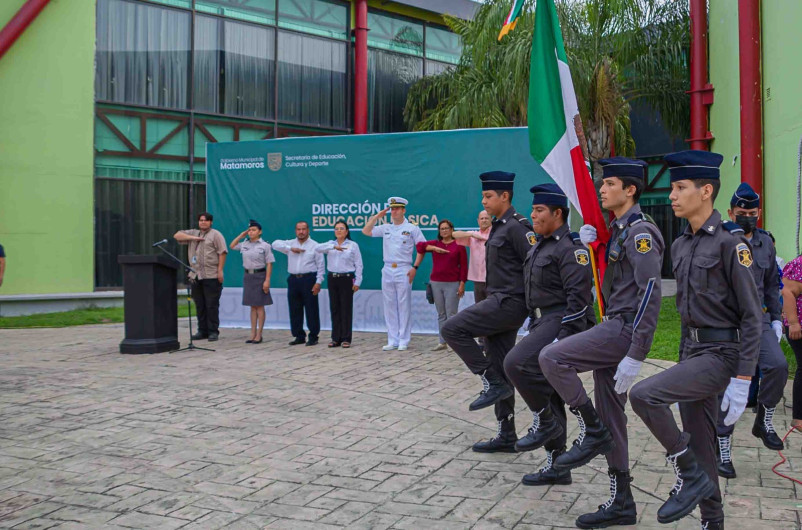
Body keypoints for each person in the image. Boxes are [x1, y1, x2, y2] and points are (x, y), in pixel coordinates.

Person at [629, 150, 761, 529]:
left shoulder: (730, 244)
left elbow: (753, 315)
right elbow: (686, 313)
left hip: (722, 354)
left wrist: (743, 378)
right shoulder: (682, 244)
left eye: (680, 187)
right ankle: (711, 520)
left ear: (706, 191)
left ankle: (686, 473)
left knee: (644, 395)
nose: (672, 195)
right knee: (702, 445)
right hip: (693, 352)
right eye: (672, 187)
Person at [539, 157, 663, 529]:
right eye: (602, 183)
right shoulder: (622, 229)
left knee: (552, 358)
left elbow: (650, 294)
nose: (602, 189)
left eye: (610, 184)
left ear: (630, 190)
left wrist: (637, 353)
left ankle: (590, 428)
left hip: (622, 329)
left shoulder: (641, 233)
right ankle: (622, 502)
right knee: (613, 416)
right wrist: (595, 246)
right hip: (616, 325)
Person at [503, 183, 595, 488]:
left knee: (516, 362)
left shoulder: (571, 247)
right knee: (550, 389)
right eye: (532, 209)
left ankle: (543, 419)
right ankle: (558, 464)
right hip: (542, 321)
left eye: (539, 210)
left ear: (558, 213)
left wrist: (563, 337)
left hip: (560, 320)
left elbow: (579, 297)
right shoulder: (540, 245)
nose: (533, 215)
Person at [441, 171, 534, 453]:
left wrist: (535, 308)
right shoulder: (498, 226)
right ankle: (506, 434)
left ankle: (490, 381)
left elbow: (533, 266)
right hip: (500, 300)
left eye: (488, 196)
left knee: (451, 329)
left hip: (508, 302)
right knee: (501, 366)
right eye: (483, 195)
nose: (484, 201)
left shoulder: (518, 227)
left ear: (505, 196)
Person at [715, 183, 787, 479]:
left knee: (778, 366)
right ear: (730, 212)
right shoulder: (718, 239)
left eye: (752, 213)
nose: (747, 217)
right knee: (727, 387)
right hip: (728, 323)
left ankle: (764, 420)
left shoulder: (765, 242)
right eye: (741, 213)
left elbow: (772, 283)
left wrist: (778, 318)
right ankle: (722, 450)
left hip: (758, 319)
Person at [362, 197, 425, 351]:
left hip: (404, 268)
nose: (393, 211)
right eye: (392, 208)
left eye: (397, 208)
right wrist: (377, 217)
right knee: (389, 305)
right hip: (388, 268)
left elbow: (422, 248)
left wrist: (415, 268)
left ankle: (404, 339)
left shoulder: (412, 228)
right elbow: (366, 231)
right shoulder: (386, 228)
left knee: (403, 305)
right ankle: (392, 339)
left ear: (403, 210)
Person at [174, 212, 228, 341]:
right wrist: (194, 239)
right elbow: (177, 235)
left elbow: (222, 252)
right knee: (200, 305)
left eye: (205, 220)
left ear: (211, 222)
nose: (203, 222)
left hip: (211, 275)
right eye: (201, 220)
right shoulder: (193, 233)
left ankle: (213, 331)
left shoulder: (216, 235)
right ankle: (202, 330)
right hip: (195, 275)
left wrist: (220, 270)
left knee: (211, 305)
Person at [414, 219, 468, 351]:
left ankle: (453, 342)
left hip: (453, 283)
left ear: (451, 230)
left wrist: (462, 283)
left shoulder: (459, 245)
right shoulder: (435, 243)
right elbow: (419, 246)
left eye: (446, 228)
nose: (444, 231)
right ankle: (442, 342)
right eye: (442, 228)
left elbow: (464, 266)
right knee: (441, 314)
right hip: (436, 283)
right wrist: (433, 248)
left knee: (452, 314)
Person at [273, 221, 325, 346]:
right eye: (298, 229)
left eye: (303, 229)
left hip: (309, 279)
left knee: (311, 309)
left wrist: (318, 282)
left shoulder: (315, 246)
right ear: (295, 231)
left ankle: (313, 335)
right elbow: (274, 244)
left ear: (308, 230)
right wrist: (291, 249)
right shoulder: (290, 244)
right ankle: (299, 335)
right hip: (293, 280)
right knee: (295, 308)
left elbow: (321, 266)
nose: (301, 232)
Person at [316, 220, 363, 348]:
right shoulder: (330, 244)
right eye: (336, 229)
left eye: (342, 228)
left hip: (347, 279)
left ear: (347, 231)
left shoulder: (353, 245)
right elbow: (317, 248)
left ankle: (346, 338)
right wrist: (333, 247)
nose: (339, 231)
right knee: (335, 308)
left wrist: (358, 281)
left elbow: (359, 264)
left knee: (346, 309)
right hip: (333, 278)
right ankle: (335, 338)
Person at [229, 220, 275, 344]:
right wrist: (241, 235)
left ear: (260, 232)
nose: (251, 232)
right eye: (249, 230)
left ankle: (259, 334)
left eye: (254, 230)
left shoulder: (265, 245)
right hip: (248, 276)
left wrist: (267, 280)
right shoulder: (245, 244)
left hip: (260, 276)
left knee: (259, 305)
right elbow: (232, 246)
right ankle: (252, 333)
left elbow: (269, 263)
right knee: (252, 306)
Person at [453, 211, 492, 304]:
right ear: (478, 221)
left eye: (486, 218)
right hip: (478, 281)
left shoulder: (495, 234)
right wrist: (471, 234)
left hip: (492, 280)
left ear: (491, 220)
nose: (484, 220)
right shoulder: (473, 236)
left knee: (493, 310)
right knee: (479, 310)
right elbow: (453, 235)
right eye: (482, 218)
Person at [782, 256, 802, 431]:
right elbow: (787, 292)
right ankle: (799, 418)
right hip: (799, 327)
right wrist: (793, 322)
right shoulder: (798, 265)